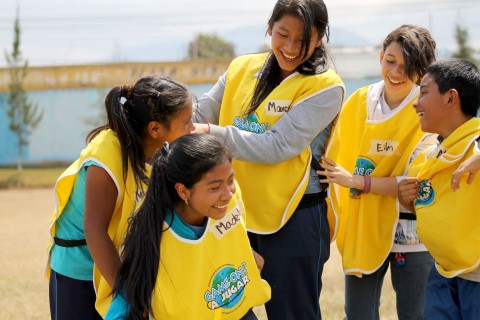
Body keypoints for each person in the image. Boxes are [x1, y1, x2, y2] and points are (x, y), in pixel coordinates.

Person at [193, 0, 344, 318]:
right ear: (269, 28)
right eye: (282, 34)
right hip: (234, 215)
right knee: (227, 310)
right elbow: (201, 110)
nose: (290, 48)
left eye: (302, 40)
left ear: (319, 39)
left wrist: (207, 131)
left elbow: (277, 146)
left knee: (292, 313)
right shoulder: (241, 68)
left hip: (294, 216)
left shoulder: (326, 86)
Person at [46, 75, 194, 320]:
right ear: (155, 129)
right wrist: (129, 296)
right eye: (187, 122)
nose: (193, 128)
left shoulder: (160, 151)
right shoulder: (107, 153)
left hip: (119, 264)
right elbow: (94, 229)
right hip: (79, 271)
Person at [320, 25, 437, 320]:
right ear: (380, 56)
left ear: (423, 70)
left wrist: (357, 181)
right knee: (358, 314)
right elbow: (333, 158)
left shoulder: (427, 110)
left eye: (408, 66)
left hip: (412, 235)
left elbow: (413, 184)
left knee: (416, 315)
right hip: (362, 226)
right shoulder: (359, 101)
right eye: (391, 61)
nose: (396, 72)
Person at [104, 133, 271, 320]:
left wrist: (246, 252)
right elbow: (122, 307)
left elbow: (229, 237)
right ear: (183, 191)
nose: (227, 193)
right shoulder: (154, 236)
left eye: (230, 180)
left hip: (239, 313)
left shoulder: (228, 201)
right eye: (215, 187)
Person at [398, 58, 480, 319]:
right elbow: (429, 204)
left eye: (424, 92)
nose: (415, 102)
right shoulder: (430, 154)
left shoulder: (475, 144)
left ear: (450, 98)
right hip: (443, 271)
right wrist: (407, 200)